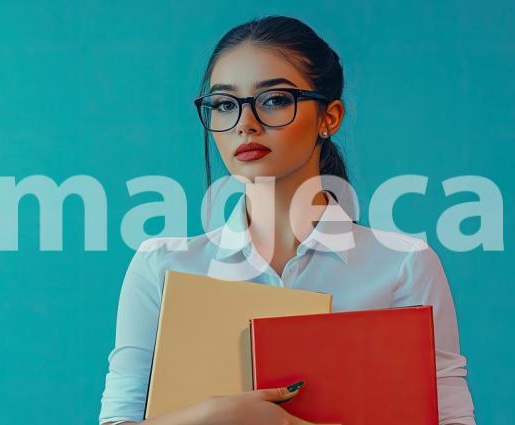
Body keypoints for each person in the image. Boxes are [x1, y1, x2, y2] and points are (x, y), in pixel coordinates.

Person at [99, 15, 476, 425]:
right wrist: (210, 416)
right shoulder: (164, 267)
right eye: (225, 104)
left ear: (329, 117)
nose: (245, 123)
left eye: (275, 99)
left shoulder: (402, 265)